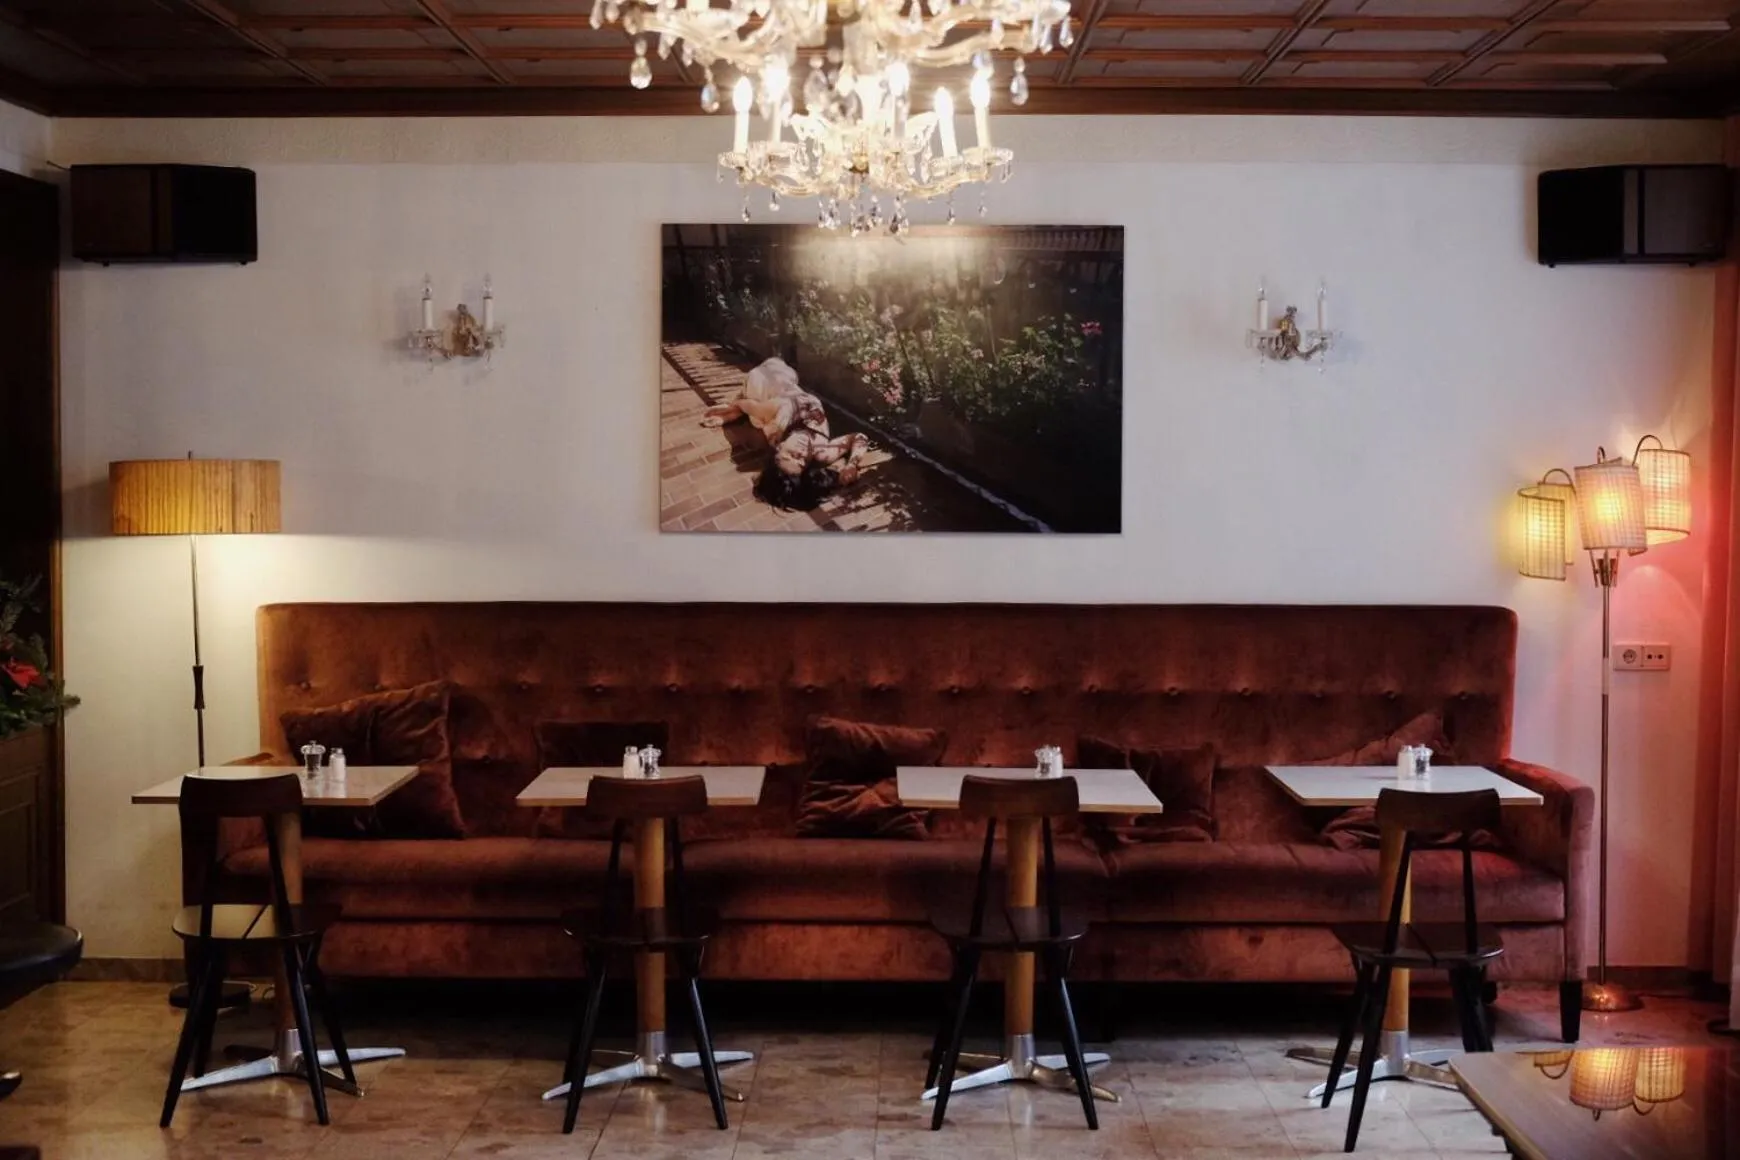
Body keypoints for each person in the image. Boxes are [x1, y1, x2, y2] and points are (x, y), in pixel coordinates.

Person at [702, 356, 870, 510]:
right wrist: (852, 464)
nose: (801, 452)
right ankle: (740, 412)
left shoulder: (781, 420)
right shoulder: (821, 452)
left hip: (764, 387)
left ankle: (736, 411)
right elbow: (859, 437)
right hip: (782, 384)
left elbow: (751, 405)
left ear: (779, 445)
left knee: (766, 377)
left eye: (790, 454)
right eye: (802, 461)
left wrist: (734, 405)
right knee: (781, 372)